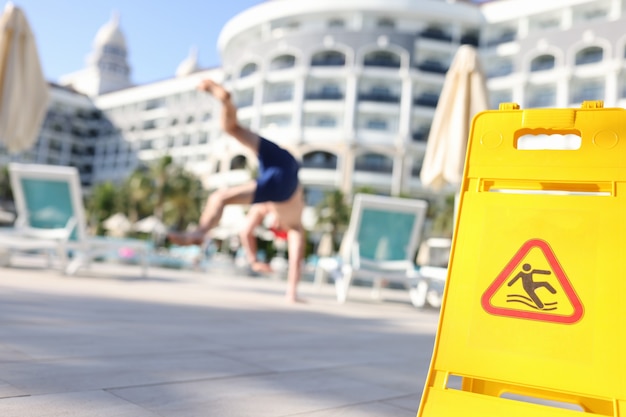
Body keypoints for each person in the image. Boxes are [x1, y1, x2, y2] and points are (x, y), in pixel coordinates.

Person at [168, 79, 306, 303]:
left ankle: (227, 100)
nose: (273, 226)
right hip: (284, 178)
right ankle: (199, 233)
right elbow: (295, 260)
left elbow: (246, 232)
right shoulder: (294, 226)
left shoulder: (267, 208)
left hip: (283, 160)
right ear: (279, 230)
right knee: (220, 196)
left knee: (232, 130)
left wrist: (253, 261)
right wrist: (291, 293)